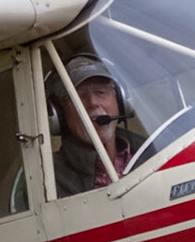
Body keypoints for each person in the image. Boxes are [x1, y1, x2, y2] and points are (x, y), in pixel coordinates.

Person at [48, 53, 143, 196]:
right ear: (59, 114)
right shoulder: (49, 178)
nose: (92, 103)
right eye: (78, 96)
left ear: (120, 101)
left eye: (100, 92)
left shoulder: (151, 153)